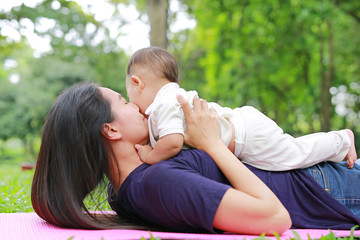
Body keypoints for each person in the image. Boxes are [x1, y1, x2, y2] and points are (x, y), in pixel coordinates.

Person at [32, 82, 360, 235]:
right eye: (123, 101)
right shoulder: (155, 183)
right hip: (328, 187)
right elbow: (274, 218)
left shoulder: (125, 190)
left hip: (323, 176)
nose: (136, 105)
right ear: (111, 130)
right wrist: (212, 144)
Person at [126, 47, 357, 170]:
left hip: (249, 137)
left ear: (138, 83)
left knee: (294, 155)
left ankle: (342, 139)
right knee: (293, 151)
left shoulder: (164, 103)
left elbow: (173, 142)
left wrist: (150, 156)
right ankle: (337, 148)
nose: (133, 105)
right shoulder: (171, 98)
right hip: (243, 127)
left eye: (128, 97)